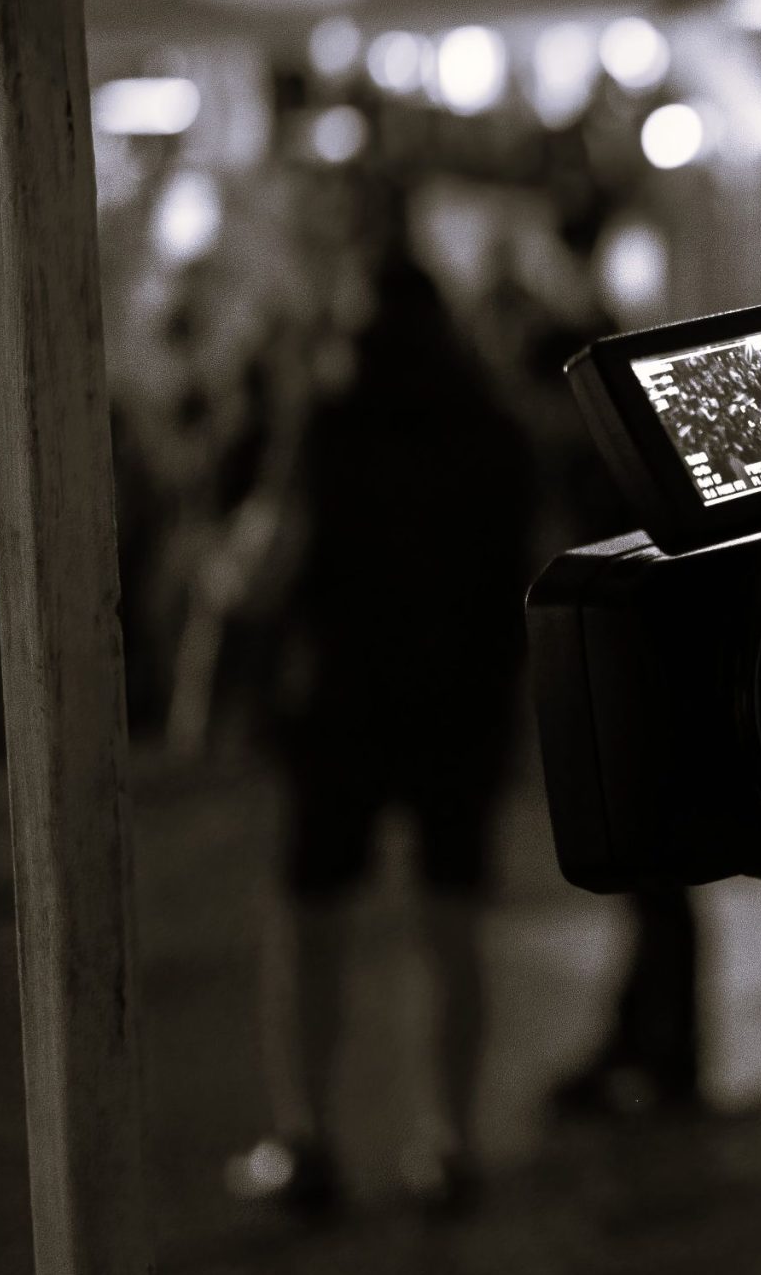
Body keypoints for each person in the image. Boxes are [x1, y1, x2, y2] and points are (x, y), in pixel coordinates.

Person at [227, 193, 540, 1219]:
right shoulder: (497, 429)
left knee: (312, 926)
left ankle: (305, 1136)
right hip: (461, 706)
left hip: (343, 709)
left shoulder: (328, 422)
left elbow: (267, 570)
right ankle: (446, 1141)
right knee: (450, 927)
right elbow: (535, 572)